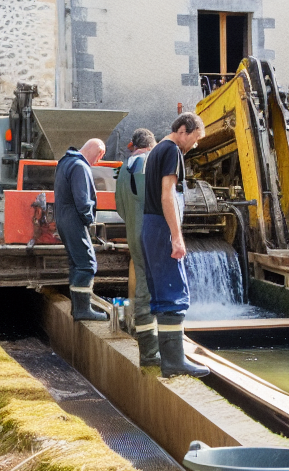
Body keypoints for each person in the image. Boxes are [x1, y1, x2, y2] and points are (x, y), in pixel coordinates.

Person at [141, 112, 209, 378]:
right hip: (160, 226)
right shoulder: (172, 152)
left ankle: (167, 357)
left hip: (149, 225)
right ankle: (174, 362)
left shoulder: (156, 150)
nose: (195, 145)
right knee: (174, 292)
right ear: (183, 130)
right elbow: (167, 195)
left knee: (160, 295)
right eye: (195, 138)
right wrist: (177, 236)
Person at [115, 128, 158, 366]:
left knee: (140, 280)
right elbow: (154, 200)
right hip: (149, 234)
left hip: (133, 232)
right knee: (148, 290)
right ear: (151, 146)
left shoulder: (123, 167)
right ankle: (150, 349)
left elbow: (119, 206)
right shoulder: (145, 163)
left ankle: (134, 328)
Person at [54, 138, 108, 321]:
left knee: (76, 263)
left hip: (63, 218)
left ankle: (78, 308)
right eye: (100, 158)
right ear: (99, 152)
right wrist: (89, 220)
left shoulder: (65, 162)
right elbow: (83, 200)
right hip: (74, 220)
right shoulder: (80, 166)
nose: (97, 163)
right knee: (86, 264)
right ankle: (83, 310)